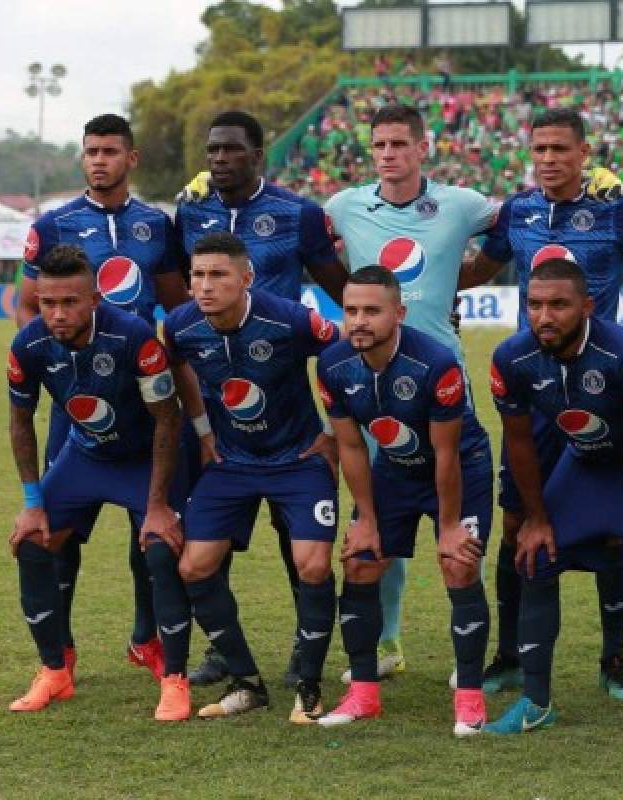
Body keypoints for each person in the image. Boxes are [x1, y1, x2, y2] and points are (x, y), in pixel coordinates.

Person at [461, 108, 623, 701]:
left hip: (603, 392)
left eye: (559, 149)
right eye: (539, 148)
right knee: (517, 520)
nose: (548, 159)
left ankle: (615, 661)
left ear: (583, 152)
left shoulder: (616, 208)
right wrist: (432, 289)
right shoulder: (519, 210)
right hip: (537, 391)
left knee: (606, 528)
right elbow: (484, 266)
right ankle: (508, 656)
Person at [485, 259, 623, 753]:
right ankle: (536, 703)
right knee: (534, 557)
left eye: (559, 305)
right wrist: (536, 518)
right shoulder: (512, 358)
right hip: (584, 465)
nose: (545, 316)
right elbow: (518, 442)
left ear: (586, 307)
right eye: (536, 305)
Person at [323, 104, 500, 683]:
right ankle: (388, 642)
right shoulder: (345, 206)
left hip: (441, 376)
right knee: (377, 512)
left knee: (458, 505)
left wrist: (464, 280)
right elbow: (303, 238)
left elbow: (516, 222)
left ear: (423, 148)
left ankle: (468, 655)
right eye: (379, 144)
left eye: (399, 143)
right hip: (373, 385)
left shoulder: (461, 205)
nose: (388, 153)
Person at [175, 110, 348, 689]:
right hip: (223, 394)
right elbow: (185, 291)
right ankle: (224, 651)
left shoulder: (296, 213)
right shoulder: (192, 209)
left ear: (258, 154)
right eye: (211, 149)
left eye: (230, 149)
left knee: (293, 530)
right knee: (212, 528)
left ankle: (307, 645)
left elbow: (339, 289)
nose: (218, 159)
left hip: (283, 384)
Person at [16, 113, 189, 685]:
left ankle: (147, 640)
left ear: (130, 159)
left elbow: (173, 307)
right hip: (77, 405)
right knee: (58, 534)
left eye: (110, 151)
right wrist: (63, 370)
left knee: (153, 532)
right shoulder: (54, 224)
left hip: (142, 397)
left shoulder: (154, 226)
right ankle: (58, 656)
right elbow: (27, 308)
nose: (98, 160)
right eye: (90, 151)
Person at [5, 244, 190, 720]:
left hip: (144, 458)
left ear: (95, 298)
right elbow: (21, 423)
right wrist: (32, 502)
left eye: (70, 302)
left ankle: (174, 679)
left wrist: (156, 505)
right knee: (32, 541)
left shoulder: (134, 337)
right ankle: (55, 670)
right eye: (48, 303)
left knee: (160, 546)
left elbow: (168, 420)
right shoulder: (28, 345)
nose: (58, 313)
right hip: (85, 457)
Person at [164, 231, 341, 720]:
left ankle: (309, 686)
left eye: (217, 275)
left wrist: (331, 431)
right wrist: (202, 429)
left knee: (313, 566)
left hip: (298, 459)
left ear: (246, 278)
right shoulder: (180, 326)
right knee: (194, 567)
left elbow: (345, 353)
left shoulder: (288, 319)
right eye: (197, 276)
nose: (205, 286)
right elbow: (179, 366)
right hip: (231, 462)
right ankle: (247, 683)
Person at [315, 266, 493, 735]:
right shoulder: (332, 364)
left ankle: (470, 698)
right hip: (394, 468)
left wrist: (451, 525)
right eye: (351, 310)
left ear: (399, 313)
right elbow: (352, 447)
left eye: (372, 311)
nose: (359, 321)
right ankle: (363, 694)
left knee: (459, 563)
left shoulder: (436, 363)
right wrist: (366, 519)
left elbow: (447, 452)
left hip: (459, 468)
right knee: (361, 560)